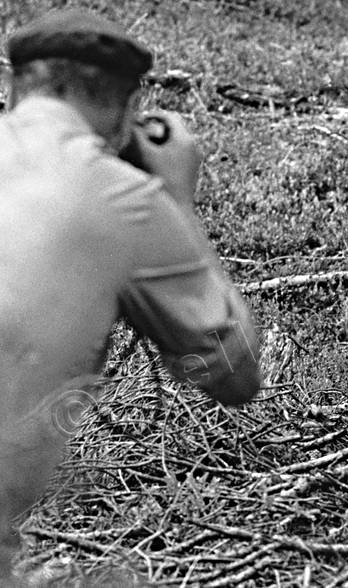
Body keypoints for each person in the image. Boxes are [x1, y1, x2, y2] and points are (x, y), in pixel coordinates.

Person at [0, 8, 262, 576]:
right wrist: (174, 202)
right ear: (123, 108)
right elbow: (231, 373)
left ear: (16, 87)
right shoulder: (127, 198)